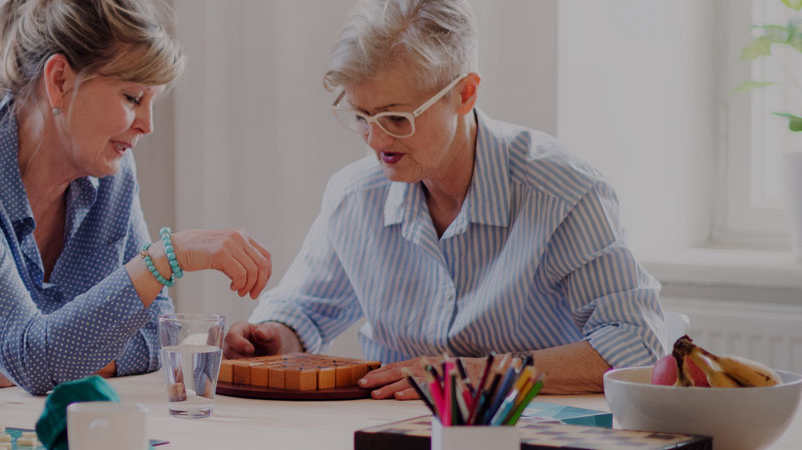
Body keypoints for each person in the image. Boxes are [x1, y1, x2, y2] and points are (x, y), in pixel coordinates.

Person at [223, 0, 664, 398]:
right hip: (387, 428)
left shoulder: (562, 192)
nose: (376, 140)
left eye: (397, 117)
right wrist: (274, 339)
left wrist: (476, 374)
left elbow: (635, 346)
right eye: (361, 116)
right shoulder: (354, 197)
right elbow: (305, 313)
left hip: (526, 432)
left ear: (465, 93)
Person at [0, 0, 274, 396]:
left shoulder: (112, 173)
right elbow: (33, 359)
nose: (147, 124)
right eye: (132, 98)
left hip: (13, 422)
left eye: (153, 101)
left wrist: (27, 364)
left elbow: (153, 334)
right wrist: (169, 255)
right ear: (59, 81)